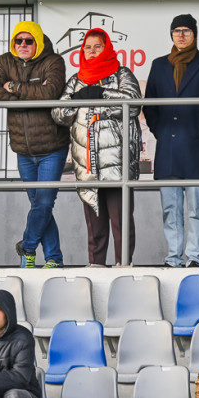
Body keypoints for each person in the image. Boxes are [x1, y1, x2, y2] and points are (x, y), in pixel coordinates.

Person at [52, 28, 142, 266]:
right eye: (87, 47)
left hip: (117, 163)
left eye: (97, 46)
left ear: (108, 48)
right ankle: (96, 266)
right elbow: (59, 113)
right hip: (88, 164)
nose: (92, 51)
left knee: (120, 220)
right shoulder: (76, 79)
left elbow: (132, 105)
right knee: (95, 225)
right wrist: (77, 99)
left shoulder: (122, 74)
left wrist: (102, 93)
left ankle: (124, 266)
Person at [0, 21, 69, 269]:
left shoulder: (53, 61)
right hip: (22, 149)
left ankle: (28, 248)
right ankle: (54, 259)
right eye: (18, 41)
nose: (22, 45)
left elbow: (50, 93)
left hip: (52, 147)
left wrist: (13, 87)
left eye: (28, 41)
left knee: (44, 203)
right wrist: (31, 91)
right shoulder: (5, 61)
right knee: (39, 206)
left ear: (38, 42)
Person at [143, 14, 199, 268]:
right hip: (167, 147)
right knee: (170, 210)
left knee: (195, 210)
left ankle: (193, 257)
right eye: (176, 31)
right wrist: (160, 130)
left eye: (186, 31)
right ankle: (173, 257)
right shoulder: (159, 65)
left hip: (195, 147)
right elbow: (150, 105)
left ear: (194, 34)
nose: (181, 35)